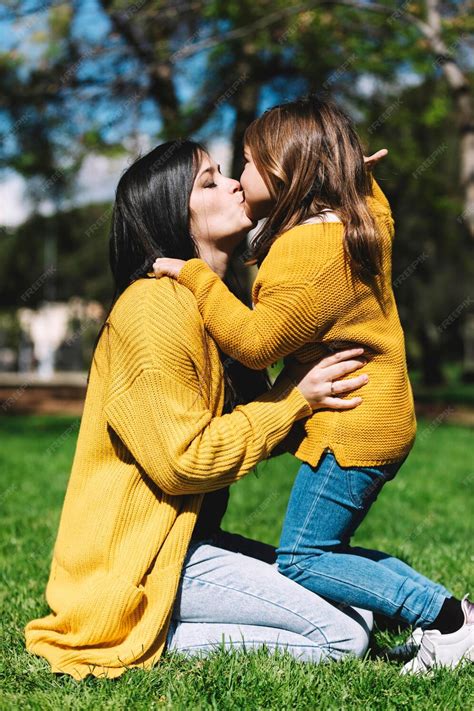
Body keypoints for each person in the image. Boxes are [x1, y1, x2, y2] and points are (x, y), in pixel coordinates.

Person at [25, 139, 373, 681]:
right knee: (343, 637)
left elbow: (259, 423)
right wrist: (294, 398)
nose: (235, 182)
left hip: (187, 546)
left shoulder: (213, 307)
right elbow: (183, 461)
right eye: (209, 181)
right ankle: (150, 630)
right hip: (141, 567)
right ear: (172, 216)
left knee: (360, 602)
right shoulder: (152, 311)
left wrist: (341, 190)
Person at [152, 97, 473, 673]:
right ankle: (446, 615)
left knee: (303, 557)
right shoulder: (360, 224)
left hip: (350, 427)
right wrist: (360, 179)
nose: (240, 174)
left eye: (247, 162)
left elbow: (255, 342)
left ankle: (445, 618)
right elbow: (383, 211)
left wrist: (198, 277)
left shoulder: (307, 253)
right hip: (379, 417)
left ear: (283, 170)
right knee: (326, 550)